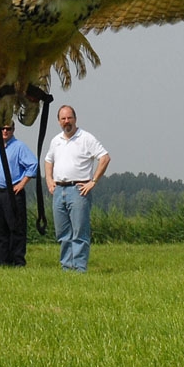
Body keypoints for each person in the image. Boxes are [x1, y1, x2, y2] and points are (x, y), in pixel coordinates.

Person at [44, 105, 110, 272]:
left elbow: (104, 158)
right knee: (63, 233)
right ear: (59, 121)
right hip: (59, 190)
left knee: (79, 232)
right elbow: (48, 160)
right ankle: (67, 267)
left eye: (69, 118)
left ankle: (80, 269)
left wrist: (93, 181)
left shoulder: (86, 138)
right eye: (63, 119)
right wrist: (49, 180)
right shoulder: (56, 141)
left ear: (75, 119)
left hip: (78, 191)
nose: (67, 121)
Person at [0, 123, 38, 266]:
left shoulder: (19, 147)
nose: (5, 131)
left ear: (13, 130)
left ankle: (17, 261)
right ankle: (2, 261)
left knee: (15, 228)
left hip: (13, 193)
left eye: (8, 128)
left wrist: (22, 183)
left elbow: (33, 164)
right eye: (2, 128)